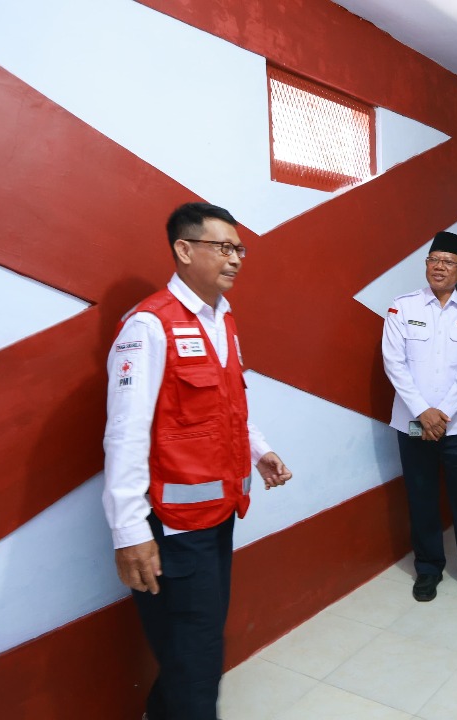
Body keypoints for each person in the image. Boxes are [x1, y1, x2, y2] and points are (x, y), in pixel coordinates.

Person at [103, 202, 293, 720]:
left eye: (240, 249)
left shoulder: (222, 320)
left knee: (193, 649)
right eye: (223, 247)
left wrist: (259, 450)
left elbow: (228, 406)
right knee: (197, 656)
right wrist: (128, 531)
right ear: (184, 250)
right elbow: (124, 434)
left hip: (218, 514)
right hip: (171, 525)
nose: (235, 259)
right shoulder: (148, 326)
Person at [382, 231, 457, 605]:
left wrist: (443, 412)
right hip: (414, 422)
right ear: (426, 264)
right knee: (421, 499)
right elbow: (394, 363)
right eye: (434, 260)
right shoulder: (403, 307)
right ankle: (428, 569)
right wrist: (424, 411)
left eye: (448, 262)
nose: (439, 267)